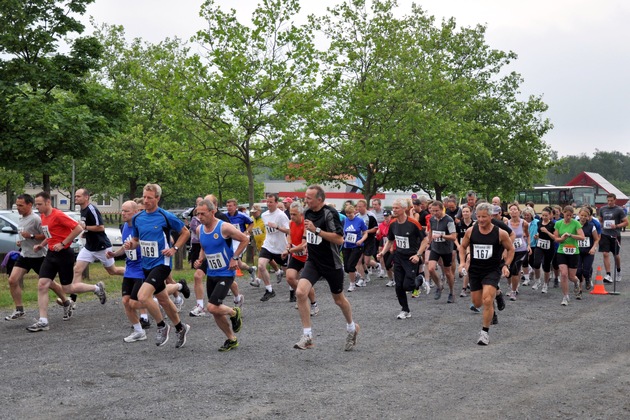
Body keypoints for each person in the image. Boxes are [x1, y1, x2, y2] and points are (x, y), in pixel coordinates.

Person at [123, 184, 191, 348]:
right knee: (164, 301)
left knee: (143, 296)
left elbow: (185, 232)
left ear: (157, 198)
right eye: (144, 197)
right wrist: (131, 245)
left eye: (149, 198)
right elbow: (138, 240)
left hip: (162, 263)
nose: (145, 201)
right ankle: (180, 328)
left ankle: (162, 326)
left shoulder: (165, 216)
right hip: (146, 265)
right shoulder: (138, 218)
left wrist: (174, 248)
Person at [293, 185, 359, 351]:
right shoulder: (307, 212)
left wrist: (317, 230)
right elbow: (309, 235)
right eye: (305, 196)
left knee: (339, 300)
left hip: (332, 263)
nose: (305, 200)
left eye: (309, 198)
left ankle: (352, 327)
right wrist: (307, 243)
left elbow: (339, 239)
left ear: (319, 199)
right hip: (313, 262)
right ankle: (307, 336)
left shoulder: (330, 213)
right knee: (300, 292)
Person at [193, 200, 248, 351]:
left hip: (226, 273)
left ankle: (233, 311)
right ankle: (231, 339)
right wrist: (200, 259)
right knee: (216, 311)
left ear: (212, 212)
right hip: (212, 273)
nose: (200, 216)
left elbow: (245, 239)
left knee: (211, 307)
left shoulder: (224, 227)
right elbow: (204, 247)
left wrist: (235, 257)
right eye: (198, 213)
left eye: (203, 213)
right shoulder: (199, 229)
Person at [26, 192, 85, 332]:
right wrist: (42, 245)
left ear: (48, 202)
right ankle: (43, 321)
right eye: (36, 204)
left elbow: (78, 228)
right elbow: (51, 235)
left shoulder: (58, 215)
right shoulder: (42, 217)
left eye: (39, 204)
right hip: (51, 254)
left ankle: (96, 288)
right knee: (42, 284)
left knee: (68, 288)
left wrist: (63, 243)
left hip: (64, 254)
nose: (37, 207)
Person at [458, 203, 514, 345]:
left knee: (487, 299)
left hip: (492, 269)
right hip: (475, 270)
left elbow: (511, 249)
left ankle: (484, 333)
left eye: (484, 217)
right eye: (479, 216)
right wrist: (462, 263)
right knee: (477, 303)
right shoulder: (471, 231)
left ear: (491, 216)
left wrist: (506, 265)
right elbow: (463, 247)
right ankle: (498, 293)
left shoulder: (500, 233)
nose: (481, 220)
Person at [5, 194, 66, 321]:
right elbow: (25, 235)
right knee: (12, 280)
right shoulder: (21, 218)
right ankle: (19, 309)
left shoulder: (36, 219)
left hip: (38, 256)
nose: (18, 208)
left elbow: (46, 236)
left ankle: (66, 302)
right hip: (25, 255)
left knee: (50, 284)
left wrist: (31, 236)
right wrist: (21, 241)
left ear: (29, 205)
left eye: (21, 205)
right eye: (17, 205)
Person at [106, 200, 151, 342]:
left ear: (136, 212)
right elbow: (126, 246)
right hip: (129, 269)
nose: (123, 214)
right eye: (122, 210)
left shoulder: (142, 227)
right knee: (126, 301)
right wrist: (115, 254)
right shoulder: (125, 226)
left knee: (134, 302)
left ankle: (160, 299)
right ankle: (139, 331)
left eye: (126, 211)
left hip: (141, 269)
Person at [377, 199, 427, 319]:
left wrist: (418, 255)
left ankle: (420, 279)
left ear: (404, 209)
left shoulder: (413, 223)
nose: (394, 210)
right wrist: (382, 253)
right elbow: (390, 240)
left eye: (397, 208)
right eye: (393, 207)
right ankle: (405, 310)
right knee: (398, 286)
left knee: (408, 286)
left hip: (411, 258)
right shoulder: (393, 224)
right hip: (398, 256)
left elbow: (425, 240)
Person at [72, 188, 125, 303]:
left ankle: (136, 274)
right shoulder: (82, 209)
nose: (76, 198)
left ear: (86, 197)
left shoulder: (91, 209)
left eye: (78, 196)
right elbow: (90, 227)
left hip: (102, 247)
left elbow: (100, 227)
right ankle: (72, 300)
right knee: (77, 270)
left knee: (112, 271)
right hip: (89, 247)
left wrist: (85, 228)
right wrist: (86, 233)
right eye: (75, 196)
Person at [282, 201, 318, 315]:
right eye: (291, 214)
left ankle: (314, 304)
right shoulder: (291, 223)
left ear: (301, 214)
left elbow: (303, 245)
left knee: (305, 283)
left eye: (294, 214)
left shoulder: (306, 225)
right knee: (289, 277)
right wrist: (288, 244)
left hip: (307, 257)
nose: (292, 216)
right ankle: (301, 295)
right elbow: (289, 235)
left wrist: (288, 251)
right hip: (296, 256)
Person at [420, 200, 458, 303]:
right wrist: (429, 240)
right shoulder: (432, 219)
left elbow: (454, 237)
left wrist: (441, 236)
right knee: (431, 268)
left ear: (442, 209)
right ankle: (439, 286)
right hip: (435, 247)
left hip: (446, 250)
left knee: (448, 273)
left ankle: (451, 292)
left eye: (437, 211)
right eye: (432, 211)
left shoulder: (449, 220)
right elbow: (431, 231)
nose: (434, 213)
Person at [257, 193, 290, 302]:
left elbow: (289, 231)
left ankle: (292, 291)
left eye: (271, 202)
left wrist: (277, 227)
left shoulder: (281, 215)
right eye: (267, 201)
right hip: (268, 245)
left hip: (280, 247)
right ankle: (269, 290)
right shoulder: (264, 215)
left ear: (276, 203)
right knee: (261, 265)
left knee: (288, 272)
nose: (269, 204)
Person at [552, 206, 585, 306]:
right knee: (564, 274)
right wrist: (562, 239)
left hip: (573, 252)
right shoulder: (558, 223)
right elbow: (556, 238)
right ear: (563, 213)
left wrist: (570, 235)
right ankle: (565, 297)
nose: (569, 217)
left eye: (571, 215)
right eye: (567, 215)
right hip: (562, 251)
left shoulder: (576, 223)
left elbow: (582, 237)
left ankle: (576, 281)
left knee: (571, 276)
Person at [225, 198, 257, 282]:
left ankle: (230, 284)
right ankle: (250, 269)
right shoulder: (224, 216)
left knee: (232, 258)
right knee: (238, 263)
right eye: (227, 206)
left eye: (230, 206)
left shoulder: (242, 215)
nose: (229, 207)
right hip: (231, 239)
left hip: (241, 240)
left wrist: (246, 232)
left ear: (235, 206)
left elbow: (251, 223)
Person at [598, 193, 628, 283]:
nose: (609, 202)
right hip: (605, 234)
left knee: (616, 255)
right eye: (608, 201)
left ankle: (618, 271)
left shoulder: (619, 210)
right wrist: (601, 224)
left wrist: (616, 225)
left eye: (611, 201)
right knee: (605, 253)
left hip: (615, 234)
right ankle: (608, 274)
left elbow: (626, 222)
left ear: (615, 200)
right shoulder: (603, 209)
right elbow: (600, 219)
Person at [506, 203, 530, 301]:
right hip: (509, 250)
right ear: (509, 212)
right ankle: (510, 285)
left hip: (521, 250)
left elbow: (527, 235)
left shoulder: (524, 223)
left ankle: (513, 291)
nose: (513, 211)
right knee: (508, 271)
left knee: (515, 269)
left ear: (519, 211)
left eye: (515, 209)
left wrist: (529, 245)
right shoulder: (506, 223)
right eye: (511, 210)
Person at [342, 204, 368, 292]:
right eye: (347, 213)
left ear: (354, 212)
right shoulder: (345, 220)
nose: (348, 215)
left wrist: (361, 241)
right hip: (347, 246)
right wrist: (342, 238)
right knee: (346, 268)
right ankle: (357, 275)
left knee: (351, 265)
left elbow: (365, 233)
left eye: (350, 213)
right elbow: (342, 232)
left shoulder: (359, 221)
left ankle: (352, 284)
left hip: (357, 246)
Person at [531, 207, 556, 293]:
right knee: (536, 263)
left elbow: (555, 237)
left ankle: (545, 284)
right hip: (539, 245)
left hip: (549, 247)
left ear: (550, 215)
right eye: (543, 215)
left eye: (546, 215)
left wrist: (547, 232)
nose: (544, 217)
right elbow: (539, 232)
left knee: (546, 265)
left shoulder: (553, 225)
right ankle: (537, 281)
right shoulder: (539, 223)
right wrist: (537, 236)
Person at [576, 207, 600, 292]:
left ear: (588, 217)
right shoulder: (575, 225)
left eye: (585, 216)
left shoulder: (591, 226)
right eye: (581, 215)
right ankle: (579, 286)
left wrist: (594, 248)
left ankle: (587, 279)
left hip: (588, 252)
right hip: (577, 252)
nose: (583, 217)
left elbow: (596, 239)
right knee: (578, 272)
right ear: (579, 215)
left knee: (586, 271)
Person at [456, 205, 475, 298]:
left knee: (468, 265)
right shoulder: (459, 224)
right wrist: (458, 246)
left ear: (471, 213)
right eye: (464, 212)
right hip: (461, 248)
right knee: (463, 266)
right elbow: (455, 237)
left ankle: (464, 288)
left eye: (467, 211)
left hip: (471, 248)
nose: (465, 213)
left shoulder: (475, 224)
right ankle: (467, 280)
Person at [376, 210, 395, 286]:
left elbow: (394, 237)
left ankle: (397, 276)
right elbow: (380, 238)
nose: (386, 218)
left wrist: (392, 247)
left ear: (391, 216)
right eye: (385, 216)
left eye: (387, 216)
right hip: (385, 246)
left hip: (393, 246)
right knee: (387, 265)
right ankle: (391, 280)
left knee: (390, 264)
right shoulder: (381, 225)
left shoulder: (393, 224)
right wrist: (378, 234)